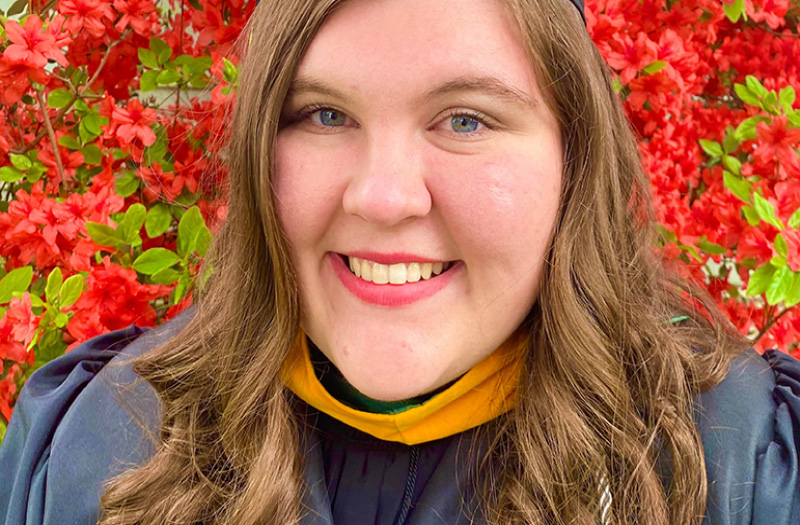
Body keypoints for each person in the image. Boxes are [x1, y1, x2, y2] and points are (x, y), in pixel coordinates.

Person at [1, 0, 799, 523]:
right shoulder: (99, 446)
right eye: (322, 114)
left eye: (465, 119)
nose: (383, 198)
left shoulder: (734, 467)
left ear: (573, 157)